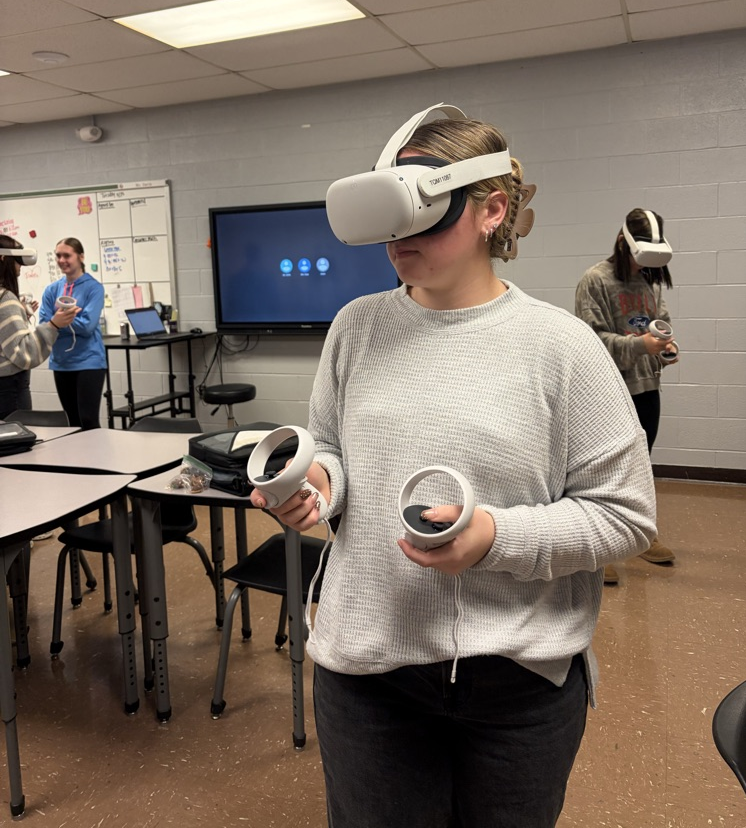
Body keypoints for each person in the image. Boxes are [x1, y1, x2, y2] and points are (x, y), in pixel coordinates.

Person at [250, 106, 657, 828]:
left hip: (518, 685)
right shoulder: (357, 327)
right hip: (369, 674)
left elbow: (624, 515)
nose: (398, 240)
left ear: (491, 210)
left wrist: (496, 538)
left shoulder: (560, 347)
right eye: (390, 219)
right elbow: (334, 450)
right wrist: (319, 485)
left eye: (422, 214)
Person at [575, 209, 677, 586]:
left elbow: (660, 323)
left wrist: (664, 348)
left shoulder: (649, 281)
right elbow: (591, 340)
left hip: (646, 386)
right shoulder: (595, 280)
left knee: (641, 466)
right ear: (624, 243)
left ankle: (641, 534)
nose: (644, 265)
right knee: (605, 471)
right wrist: (640, 346)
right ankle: (600, 550)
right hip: (610, 390)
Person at [0, 235, 79, 419]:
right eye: (17, 260)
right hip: (8, 392)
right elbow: (23, 352)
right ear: (3, 258)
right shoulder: (6, 299)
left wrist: (19, 318)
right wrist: (53, 325)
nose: (20, 267)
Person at [39, 237, 106, 430]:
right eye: (58, 256)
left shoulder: (94, 288)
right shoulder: (52, 290)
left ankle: (96, 452)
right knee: (72, 423)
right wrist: (65, 319)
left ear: (81, 257)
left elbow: (87, 326)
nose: (62, 260)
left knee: (88, 420)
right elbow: (45, 325)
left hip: (88, 362)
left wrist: (58, 321)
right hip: (61, 362)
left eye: (67, 255)